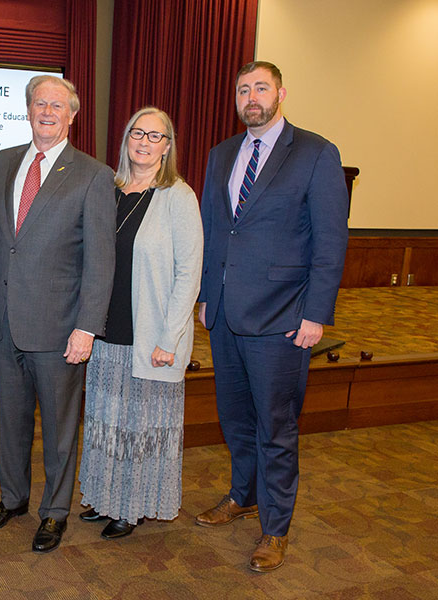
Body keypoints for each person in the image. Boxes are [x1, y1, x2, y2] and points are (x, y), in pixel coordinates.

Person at [195, 61, 348, 572]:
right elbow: (215, 230)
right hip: (225, 315)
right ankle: (244, 496)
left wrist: (316, 314)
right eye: (243, 89)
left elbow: (330, 240)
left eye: (261, 87)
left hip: (284, 319)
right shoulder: (220, 155)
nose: (251, 97)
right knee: (236, 420)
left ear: (281, 93)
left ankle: (275, 527)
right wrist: (203, 295)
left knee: (276, 429)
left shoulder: (316, 153)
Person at [0, 75, 116, 553]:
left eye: (58, 105)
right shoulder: (3, 161)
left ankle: (54, 511)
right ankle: (13, 498)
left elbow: (101, 262)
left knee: (58, 428)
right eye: (40, 103)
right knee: (9, 420)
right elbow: (1, 247)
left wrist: (86, 327)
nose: (48, 112)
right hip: (4, 323)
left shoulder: (93, 175)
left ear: (73, 115)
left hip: (60, 329)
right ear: (28, 108)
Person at [78, 107, 202, 539]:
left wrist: (170, 338)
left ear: (168, 147)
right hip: (105, 331)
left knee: (141, 428)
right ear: (126, 137)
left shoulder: (178, 196)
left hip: (151, 337)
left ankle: (131, 507)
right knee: (105, 421)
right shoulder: (106, 190)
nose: (145, 142)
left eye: (156, 136)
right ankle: (104, 497)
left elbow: (189, 273)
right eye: (138, 132)